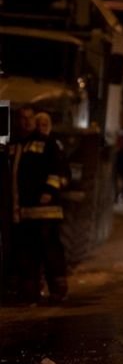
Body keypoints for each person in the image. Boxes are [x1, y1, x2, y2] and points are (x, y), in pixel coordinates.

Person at [8, 105, 68, 304]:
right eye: (22, 118)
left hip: (45, 210)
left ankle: (57, 290)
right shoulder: (15, 144)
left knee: (49, 249)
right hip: (24, 211)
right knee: (26, 252)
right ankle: (29, 291)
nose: (26, 122)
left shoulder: (47, 142)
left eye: (29, 118)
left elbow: (57, 169)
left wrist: (49, 192)